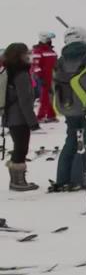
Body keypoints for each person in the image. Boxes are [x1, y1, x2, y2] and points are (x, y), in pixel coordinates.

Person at [50, 27, 86, 192]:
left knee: (71, 141)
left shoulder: (61, 59)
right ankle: (78, 178)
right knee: (85, 142)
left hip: (69, 107)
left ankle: (62, 178)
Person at [2, 43, 40, 191]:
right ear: (19, 55)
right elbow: (24, 100)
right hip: (19, 117)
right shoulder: (21, 74)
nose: (28, 55)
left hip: (10, 116)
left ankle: (16, 180)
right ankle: (18, 182)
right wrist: (32, 122)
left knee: (19, 147)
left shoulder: (9, 71)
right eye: (26, 53)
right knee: (21, 148)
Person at [32, 32, 58, 123]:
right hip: (43, 79)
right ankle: (40, 116)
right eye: (48, 39)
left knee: (50, 97)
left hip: (53, 78)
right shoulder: (38, 51)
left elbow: (55, 64)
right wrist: (40, 77)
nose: (50, 41)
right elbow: (35, 66)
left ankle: (51, 115)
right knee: (45, 97)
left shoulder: (51, 51)